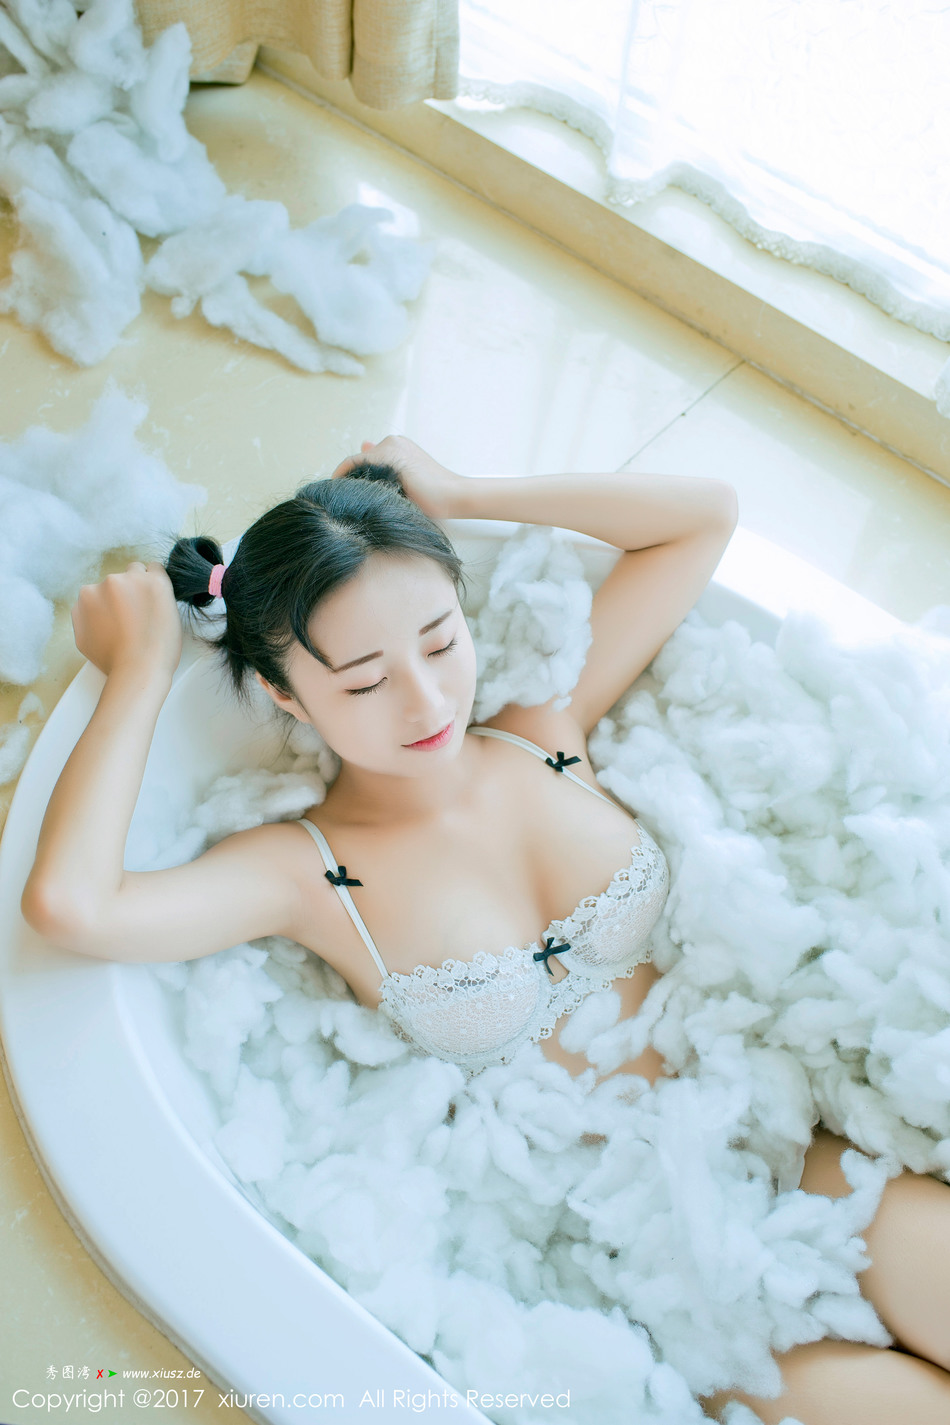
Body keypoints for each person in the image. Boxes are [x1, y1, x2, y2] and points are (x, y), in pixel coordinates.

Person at [20, 437, 950, 1423]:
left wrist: (463, 493)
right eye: (365, 682)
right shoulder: (306, 873)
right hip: (670, 1270)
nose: (426, 701)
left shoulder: (540, 729)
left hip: (798, 1143)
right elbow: (74, 907)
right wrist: (137, 674)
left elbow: (702, 517)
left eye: (439, 641)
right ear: (288, 696)